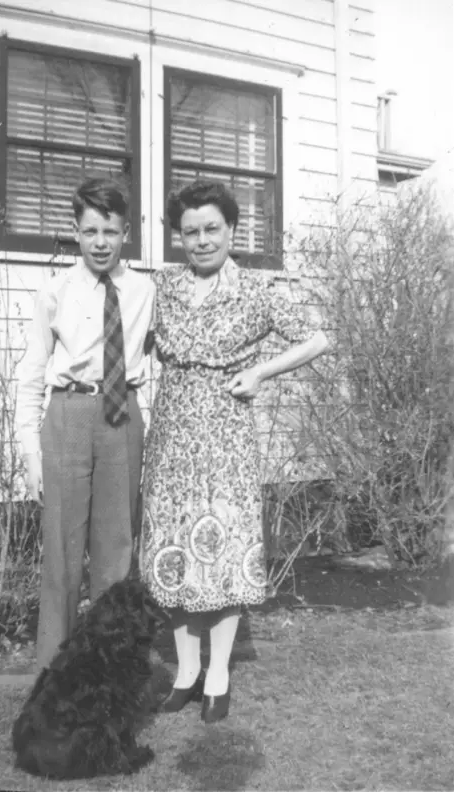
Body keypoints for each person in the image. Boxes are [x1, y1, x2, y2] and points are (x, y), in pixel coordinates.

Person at [140, 180, 329, 723]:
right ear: (179, 237)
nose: (201, 241)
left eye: (211, 229)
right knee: (173, 548)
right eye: (190, 232)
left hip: (226, 437)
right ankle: (186, 672)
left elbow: (316, 339)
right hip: (172, 436)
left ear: (231, 230)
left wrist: (261, 372)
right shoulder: (164, 287)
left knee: (222, 550)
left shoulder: (255, 290)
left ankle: (218, 673)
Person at [16, 178, 155, 671]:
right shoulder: (54, 292)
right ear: (75, 231)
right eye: (91, 231)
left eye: (111, 232)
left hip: (122, 416)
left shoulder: (144, 290)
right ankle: (54, 671)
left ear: (126, 234)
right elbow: (32, 372)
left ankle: (110, 669)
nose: (100, 242)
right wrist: (30, 454)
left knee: (117, 547)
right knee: (61, 547)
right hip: (68, 414)